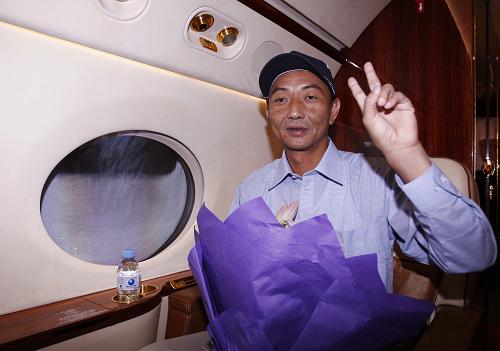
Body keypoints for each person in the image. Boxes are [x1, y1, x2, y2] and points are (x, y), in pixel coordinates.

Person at [230, 51, 497, 291]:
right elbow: (234, 275)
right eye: (280, 99)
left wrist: (410, 156)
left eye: (310, 97)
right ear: (269, 113)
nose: (295, 111)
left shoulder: (379, 181)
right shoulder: (251, 190)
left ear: (334, 111)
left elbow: (473, 255)